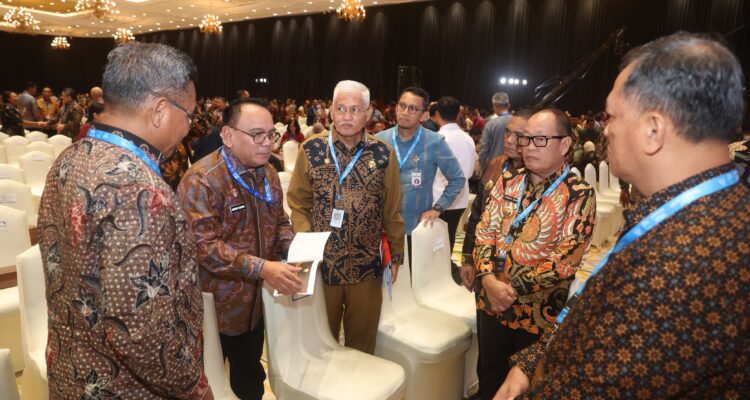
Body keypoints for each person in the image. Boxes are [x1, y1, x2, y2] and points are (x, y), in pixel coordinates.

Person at [496, 32, 749, 400]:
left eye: (612, 116)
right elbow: (599, 311)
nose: (607, 129)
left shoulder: (688, 257)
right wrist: (533, 360)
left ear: (653, 130)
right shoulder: (697, 213)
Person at [38, 42, 212, 398]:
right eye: (189, 115)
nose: (188, 126)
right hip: (129, 388)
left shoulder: (70, 157)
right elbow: (141, 332)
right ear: (160, 110)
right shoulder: (140, 190)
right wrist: (195, 388)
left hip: (72, 371)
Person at [178, 98, 302, 399]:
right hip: (211, 310)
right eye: (257, 134)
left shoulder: (268, 173)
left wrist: (294, 248)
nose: (267, 143)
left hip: (253, 307)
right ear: (228, 135)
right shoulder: (203, 179)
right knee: (205, 385)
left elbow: (279, 220)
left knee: (249, 381)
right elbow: (204, 247)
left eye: (271, 134)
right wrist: (262, 268)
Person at [474, 107, 596, 400]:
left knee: (527, 389)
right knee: (489, 378)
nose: (528, 147)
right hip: (490, 302)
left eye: (539, 140)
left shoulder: (579, 193)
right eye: (526, 139)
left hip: (538, 314)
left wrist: (510, 288)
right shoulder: (508, 180)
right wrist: (488, 279)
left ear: (564, 145)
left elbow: (565, 261)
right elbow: (484, 231)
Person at [288, 80, 404, 355]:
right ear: (331, 110)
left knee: (362, 348)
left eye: (355, 109)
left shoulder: (383, 153)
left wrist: (396, 255)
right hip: (322, 265)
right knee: (320, 345)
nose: (347, 116)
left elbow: (391, 210)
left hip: (366, 267)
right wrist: (307, 245)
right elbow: (299, 203)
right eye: (341, 108)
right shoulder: (312, 149)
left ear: (368, 113)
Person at [376, 87, 465, 254]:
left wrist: (438, 208)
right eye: (402, 106)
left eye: (413, 108)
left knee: (413, 271)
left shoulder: (434, 142)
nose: (405, 112)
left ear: (424, 115)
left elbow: (458, 178)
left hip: (415, 229)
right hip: (381, 228)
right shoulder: (380, 140)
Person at [433, 96, 476, 258]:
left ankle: (439, 269)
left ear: (437, 115)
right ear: (458, 114)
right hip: (460, 198)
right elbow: (470, 171)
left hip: (438, 198)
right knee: (449, 237)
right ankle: (446, 267)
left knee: (435, 242)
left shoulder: (436, 139)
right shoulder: (468, 139)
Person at [479, 93, 512, 170]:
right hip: (513, 167)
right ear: (509, 105)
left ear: (494, 106)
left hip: (493, 167)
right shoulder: (516, 122)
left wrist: (483, 167)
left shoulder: (490, 124)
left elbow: (484, 148)